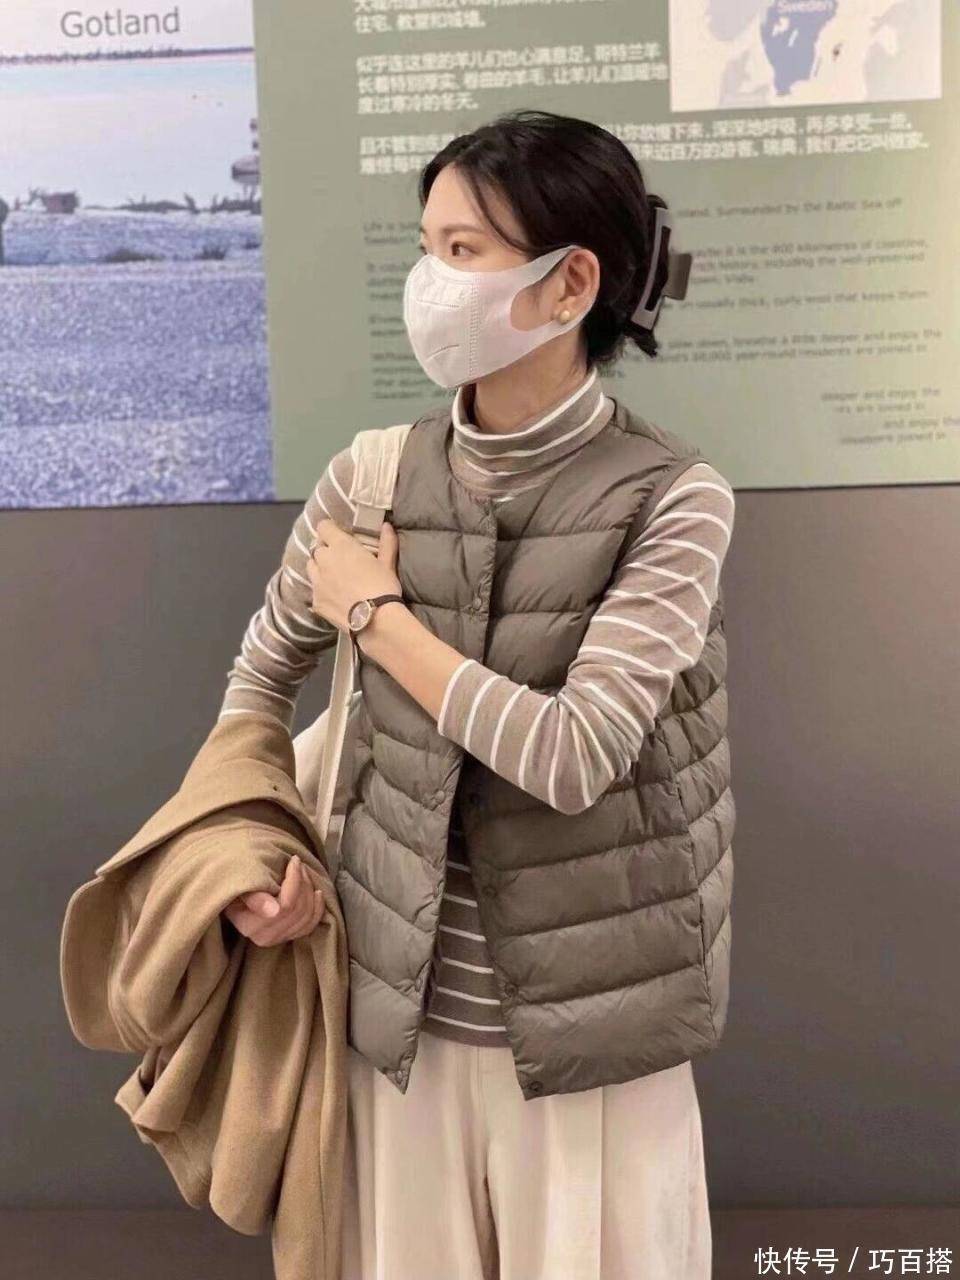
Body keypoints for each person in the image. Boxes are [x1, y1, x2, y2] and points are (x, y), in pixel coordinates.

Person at [219, 108, 736, 1280]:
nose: (430, 280)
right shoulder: (369, 474)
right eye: (427, 246)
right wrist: (251, 851)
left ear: (571, 285)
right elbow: (258, 679)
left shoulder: (674, 499)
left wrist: (377, 617)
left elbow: (574, 753)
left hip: (592, 1048)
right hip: (394, 1033)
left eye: (464, 251)